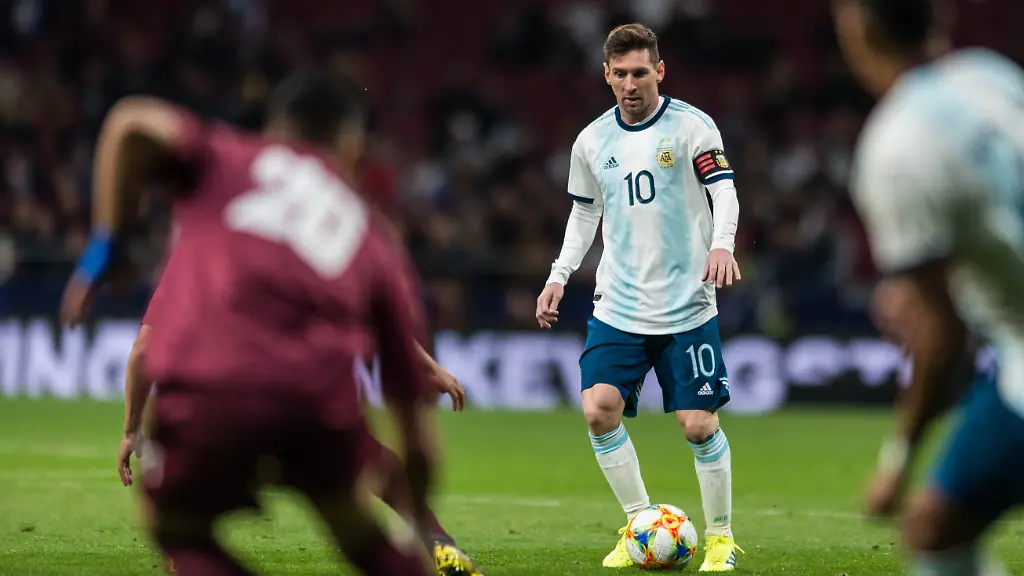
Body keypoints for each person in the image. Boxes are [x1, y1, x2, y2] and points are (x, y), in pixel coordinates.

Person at [61, 70, 442, 576]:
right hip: (316, 404)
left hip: (214, 390)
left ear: (274, 130)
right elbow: (416, 434)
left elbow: (131, 121)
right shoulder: (373, 235)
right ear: (354, 148)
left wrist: (103, 250)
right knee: (358, 531)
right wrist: (421, 524)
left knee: (176, 526)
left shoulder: (229, 159)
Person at [535, 23, 743, 572]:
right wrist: (558, 275)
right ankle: (640, 525)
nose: (631, 84)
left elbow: (724, 190)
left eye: (641, 72)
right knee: (598, 410)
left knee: (698, 425)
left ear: (660, 71)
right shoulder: (591, 141)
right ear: (606, 75)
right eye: (621, 74)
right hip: (619, 306)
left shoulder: (692, 127)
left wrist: (722, 245)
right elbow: (584, 213)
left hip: (686, 306)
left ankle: (721, 537)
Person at [834, 0, 1024, 573]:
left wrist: (899, 459)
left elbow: (944, 338)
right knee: (939, 527)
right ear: (938, 19)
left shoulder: (895, 147)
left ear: (858, 33)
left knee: (934, 532)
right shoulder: (991, 74)